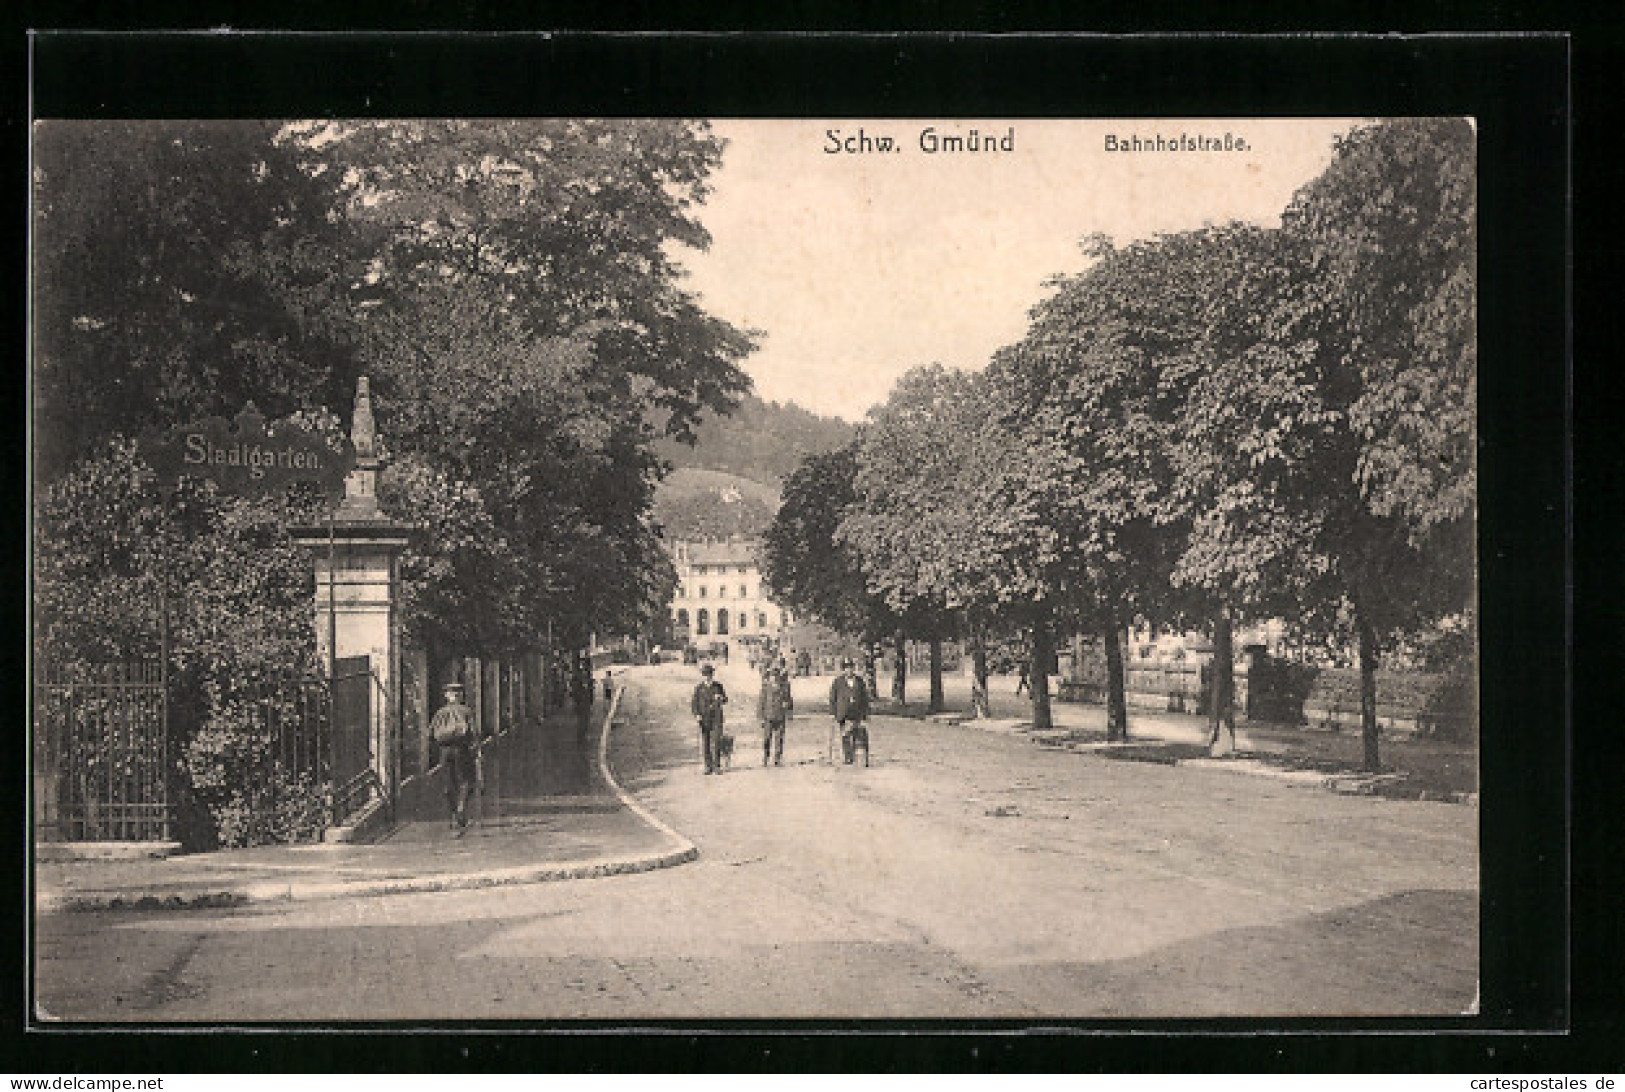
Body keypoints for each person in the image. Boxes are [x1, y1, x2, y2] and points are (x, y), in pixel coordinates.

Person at [429, 681, 478, 833]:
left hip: (444, 751)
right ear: (461, 696)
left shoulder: (440, 713)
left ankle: (453, 816)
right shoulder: (466, 711)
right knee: (466, 780)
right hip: (462, 749)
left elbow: (430, 734)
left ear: (446, 696)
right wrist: (476, 750)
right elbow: (474, 733)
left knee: (448, 783)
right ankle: (461, 807)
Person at [828, 657, 871, 766]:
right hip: (843, 713)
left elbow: (865, 698)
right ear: (843, 669)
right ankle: (848, 757)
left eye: (851, 668)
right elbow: (832, 698)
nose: (849, 670)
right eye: (846, 668)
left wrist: (865, 713)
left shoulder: (860, 681)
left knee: (858, 735)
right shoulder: (838, 682)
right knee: (845, 735)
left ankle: (858, 756)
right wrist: (833, 713)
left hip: (857, 713)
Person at [691, 663, 729, 775]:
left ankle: (717, 766)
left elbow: (726, 699)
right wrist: (697, 715)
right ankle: (708, 766)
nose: (707, 677)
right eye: (705, 674)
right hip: (704, 719)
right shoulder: (699, 688)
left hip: (716, 718)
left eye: (709, 674)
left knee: (717, 741)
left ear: (712, 675)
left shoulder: (718, 686)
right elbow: (694, 704)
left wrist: (721, 698)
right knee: (706, 742)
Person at [757, 660, 794, 766]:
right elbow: (761, 703)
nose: (774, 679)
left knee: (779, 739)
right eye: (772, 676)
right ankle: (766, 756)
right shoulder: (765, 689)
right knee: (767, 738)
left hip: (780, 716)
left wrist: (788, 710)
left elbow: (789, 700)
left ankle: (777, 758)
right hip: (768, 717)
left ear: (779, 677)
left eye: (776, 676)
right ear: (769, 678)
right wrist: (761, 718)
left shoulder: (784, 688)